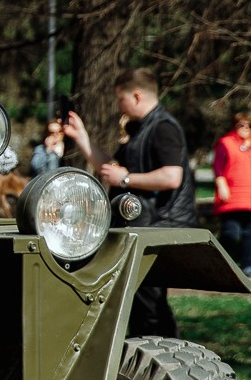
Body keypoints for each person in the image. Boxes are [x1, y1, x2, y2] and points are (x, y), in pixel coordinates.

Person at [61, 68, 197, 337]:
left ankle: (157, 357)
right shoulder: (142, 130)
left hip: (162, 224)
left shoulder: (163, 128)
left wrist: (126, 180)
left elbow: (172, 177)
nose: (118, 106)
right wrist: (83, 140)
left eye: (120, 99)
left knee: (148, 303)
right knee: (141, 301)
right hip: (146, 224)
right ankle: (153, 355)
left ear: (136, 96)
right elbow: (112, 170)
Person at [211, 111, 251, 279]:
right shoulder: (226, 143)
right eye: (241, 124)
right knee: (231, 233)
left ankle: (248, 266)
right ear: (234, 126)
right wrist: (221, 184)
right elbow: (218, 167)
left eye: (249, 125)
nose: (245, 128)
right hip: (233, 197)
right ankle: (219, 264)